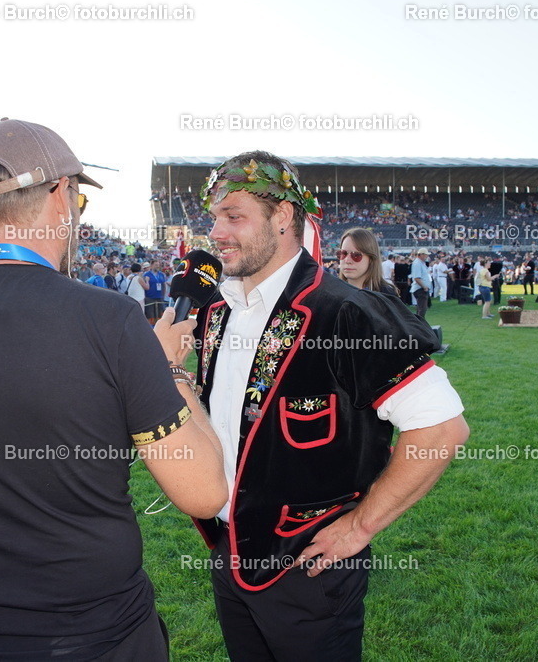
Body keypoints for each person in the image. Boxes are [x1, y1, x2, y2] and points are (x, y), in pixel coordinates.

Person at [0, 118, 226, 659]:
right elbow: (204, 491)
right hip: (86, 630)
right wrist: (169, 370)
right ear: (63, 194)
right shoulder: (109, 319)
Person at [195, 150, 469, 660]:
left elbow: (441, 430)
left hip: (310, 567)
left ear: (282, 218)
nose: (217, 232)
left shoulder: (347, 312)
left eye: (234, 216)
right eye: (214, 217)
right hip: (227, 556)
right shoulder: (217, 313)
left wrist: (360, 526)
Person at [337, 227, 392, 294]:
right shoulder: (330, 294)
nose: (347, 260)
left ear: (371, 258)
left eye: (356, 255)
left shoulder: (387, 296)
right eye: (343, 253)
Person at [143, 260, 169, 325]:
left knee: (160, 313)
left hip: (159, 297)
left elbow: (164, 284)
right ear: (151, 266)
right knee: (150, 314)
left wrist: (163, 295)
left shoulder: (161, 274)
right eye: (156, 265)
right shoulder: (146, 275)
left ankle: (160, 327)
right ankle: (151, 329)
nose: (157, 266)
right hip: (150, 297)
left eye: (158, 265)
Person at [409, 247, 431, 317]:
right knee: (422, 309)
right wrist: (424, 287)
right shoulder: (417, 263)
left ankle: (420, 324)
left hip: (421, 288)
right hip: (420, 289)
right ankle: (421, 325)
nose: (427, 256)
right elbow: (417, 278)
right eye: (426, 255)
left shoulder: (421, 263)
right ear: (421, 255)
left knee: (421, 309)